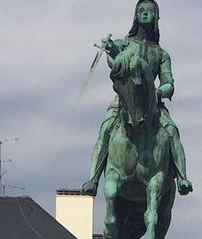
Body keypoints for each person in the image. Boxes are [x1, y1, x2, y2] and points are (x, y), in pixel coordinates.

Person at [80, 0, 192, 197]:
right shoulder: (124, 43)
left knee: (172, 132)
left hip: (153, 106)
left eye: (149, 11)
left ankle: (182, 177)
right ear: (135, 15)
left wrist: (158, 92)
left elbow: (168, 83)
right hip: (123, 102)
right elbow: (116, 60)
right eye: (141, 10)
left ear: (156, 17)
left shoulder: (161, 54)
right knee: (106, 129)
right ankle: (93, 179)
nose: (145, 14)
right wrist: (110, 49)